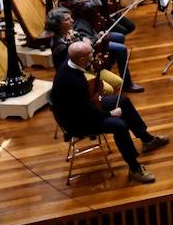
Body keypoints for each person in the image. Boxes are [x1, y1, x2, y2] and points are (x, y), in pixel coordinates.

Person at [50, 39, 167, 184]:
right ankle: (134, 168)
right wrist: (110, 114)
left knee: (123, 100)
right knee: (119, 126)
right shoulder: (73, 81)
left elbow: (87, 104)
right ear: (81, 59)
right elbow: (87, 113)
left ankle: (147, 140)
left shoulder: (70, 63)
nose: (93, 53)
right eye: (90, 53)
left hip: (83, 108)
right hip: (77, 121)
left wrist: (96, 65)